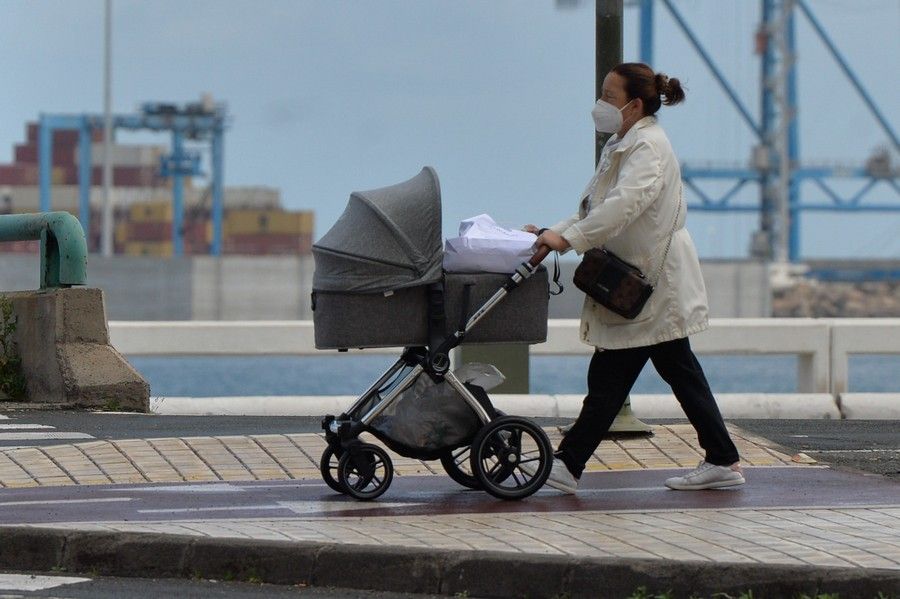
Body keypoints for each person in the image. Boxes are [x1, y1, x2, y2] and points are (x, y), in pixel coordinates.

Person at [524, 63, 744, 494]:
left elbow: (623, 206)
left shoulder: (648, 148)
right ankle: (721, 458)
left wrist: (566, 240)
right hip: (641, 279)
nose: (600, 105)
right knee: (675, 370)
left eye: (608, 96)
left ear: (634, 104)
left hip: (649, 280)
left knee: (614, 372)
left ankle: (568, 464)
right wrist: (555, 233)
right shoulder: (624, 142)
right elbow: (595, 207)